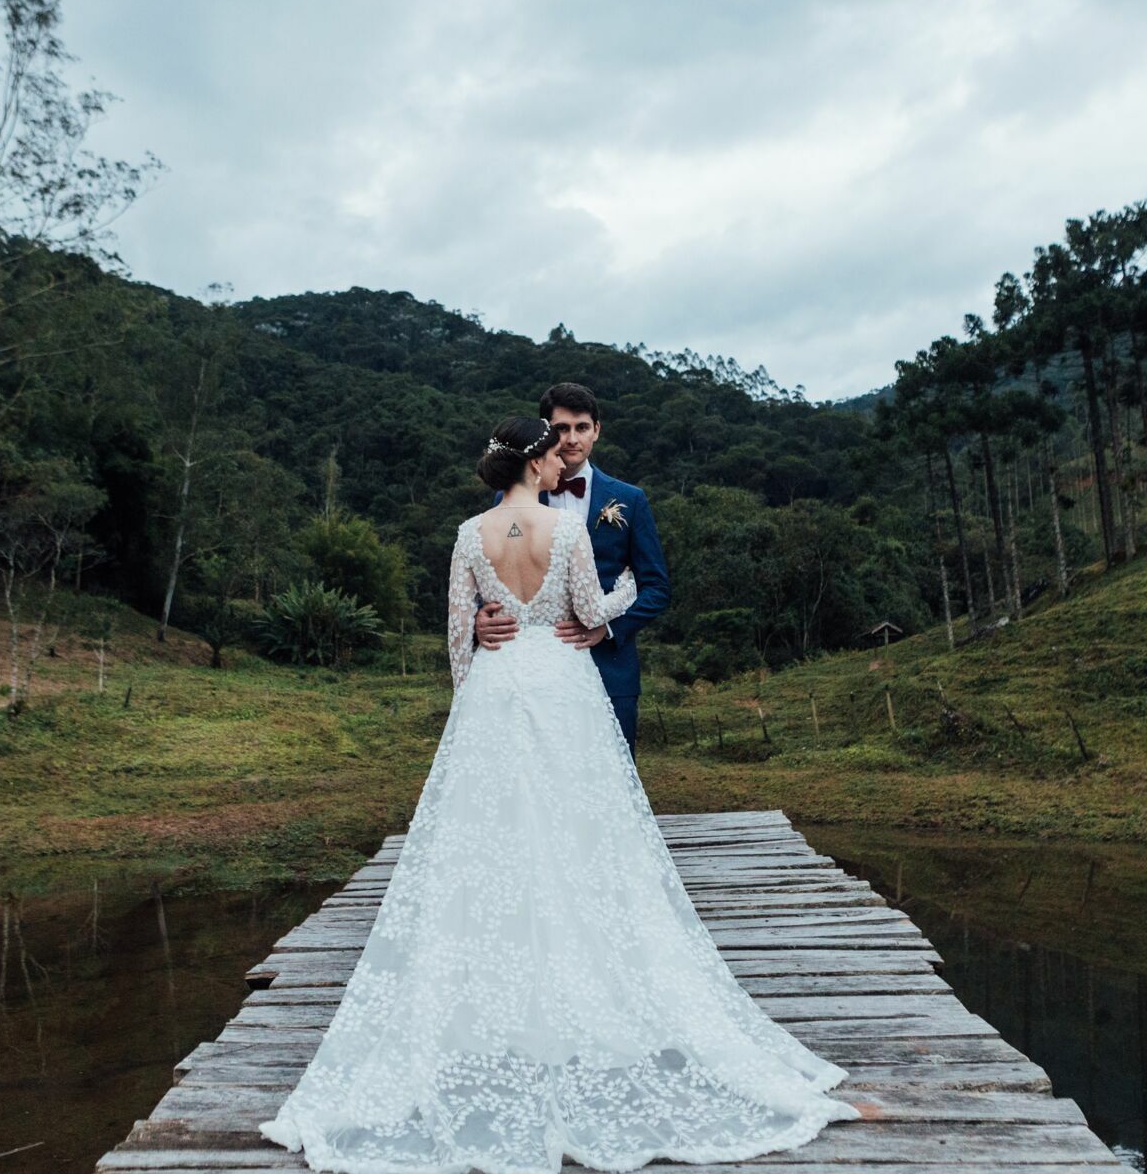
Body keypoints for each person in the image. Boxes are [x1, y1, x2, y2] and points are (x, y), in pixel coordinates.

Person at [259, 415, 858, 1174]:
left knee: (491, 847)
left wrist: (469, 698)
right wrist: (629, 588)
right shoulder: (568, 532)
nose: (558, 461)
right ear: (538, 460)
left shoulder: (469, 533)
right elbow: (589, 613)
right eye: (552, 452)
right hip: (565, 688)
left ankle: (503, 1012)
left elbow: (454, 637)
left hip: (498, 691)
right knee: (586, 839)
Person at [477, 383, 669, 755]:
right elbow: (488, 573)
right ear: (546, 431)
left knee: (612, 783)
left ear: (597, 429)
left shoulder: (630, 499)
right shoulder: (506, 498)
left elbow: (656, 587)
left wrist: (607, 628)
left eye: (581, 427)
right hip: (531, 671)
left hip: (610, 669)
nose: (571, 438)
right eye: (561, 429)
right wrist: (478, 619)